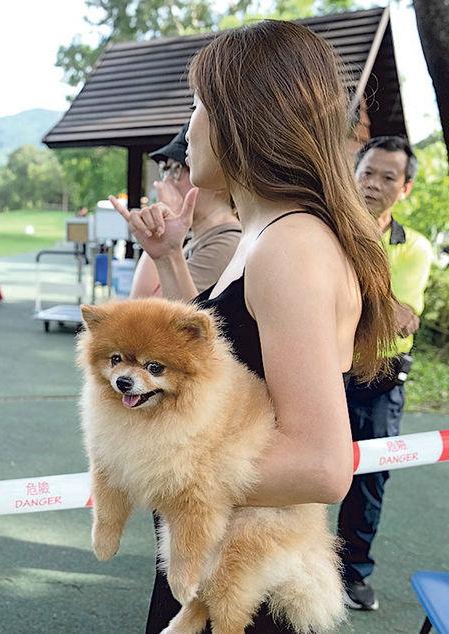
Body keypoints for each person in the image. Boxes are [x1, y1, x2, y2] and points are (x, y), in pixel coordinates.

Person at [110, 20, 397, 633]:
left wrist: (158, 471)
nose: (187, 128)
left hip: (249, 577)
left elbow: (321, 466)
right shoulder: (265, 234)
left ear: (242, 116)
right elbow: (229, 357)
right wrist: (169, 258)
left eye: (197, 105)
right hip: (220, 552)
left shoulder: (290, 245)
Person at [338, 135, 433, 611]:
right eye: (366, 173)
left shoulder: (414, 247)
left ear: (406, 189)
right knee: (299, 466)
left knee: (370, 477)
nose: (373, 185)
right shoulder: (323, 230)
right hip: (325, 367)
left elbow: (400, 317)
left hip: (381, 378)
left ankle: (352, 572)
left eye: (387, 177)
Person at [130, 124, 240, 298]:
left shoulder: (227, 243)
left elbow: (145, 307)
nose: (165, 182)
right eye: (165, 169)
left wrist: (161, 229)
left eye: (178, 169)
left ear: (218, 179)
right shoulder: (200, 239)